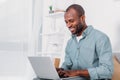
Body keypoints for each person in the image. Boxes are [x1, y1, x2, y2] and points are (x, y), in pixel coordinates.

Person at [56, 4, 113, 80]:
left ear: (82, 18)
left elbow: (107, 71)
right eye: (66, 22)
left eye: (71, 21)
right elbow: (67, 65)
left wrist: (77, 72)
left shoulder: (101, 38)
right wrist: (61, 70)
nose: (68, 25)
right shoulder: (70, 42)